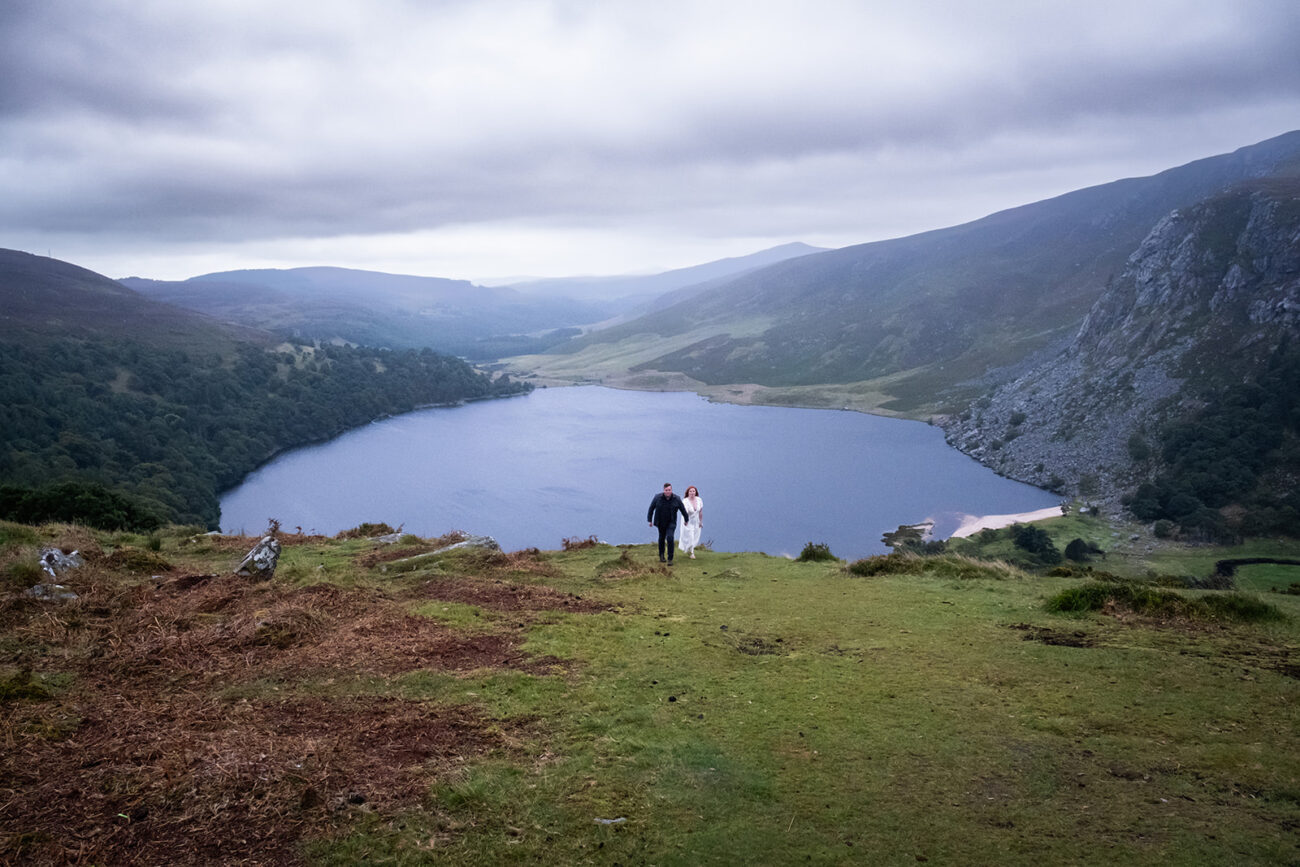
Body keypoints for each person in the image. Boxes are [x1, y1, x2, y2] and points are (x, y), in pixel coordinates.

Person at [647, 482, 689, 564]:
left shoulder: (677, 499)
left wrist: (686, 520)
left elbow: (683, 510)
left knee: (670, 538)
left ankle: (670, 559)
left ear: (671, 490)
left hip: (671, 522)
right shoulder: (657, 497)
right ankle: (661, 556)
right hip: (660, 522)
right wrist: (650, 520)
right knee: (661, 538)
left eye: (669, 490)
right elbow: (651, 508)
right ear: (663, 490)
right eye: (666, 490)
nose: (668, 492)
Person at [678, 485, 703, 559]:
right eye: (690, 491)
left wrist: (701, 522)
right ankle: (692, 553)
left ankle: (690, 549)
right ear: (688, 492)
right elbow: (684, 512)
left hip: (696, 521)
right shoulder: (685, 501)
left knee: (695, 536)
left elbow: (700, 512)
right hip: (688, 521)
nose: (692, 492)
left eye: (693, 491)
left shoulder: (699, 500)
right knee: (690, 536)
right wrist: (686, 520)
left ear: (696, 492)